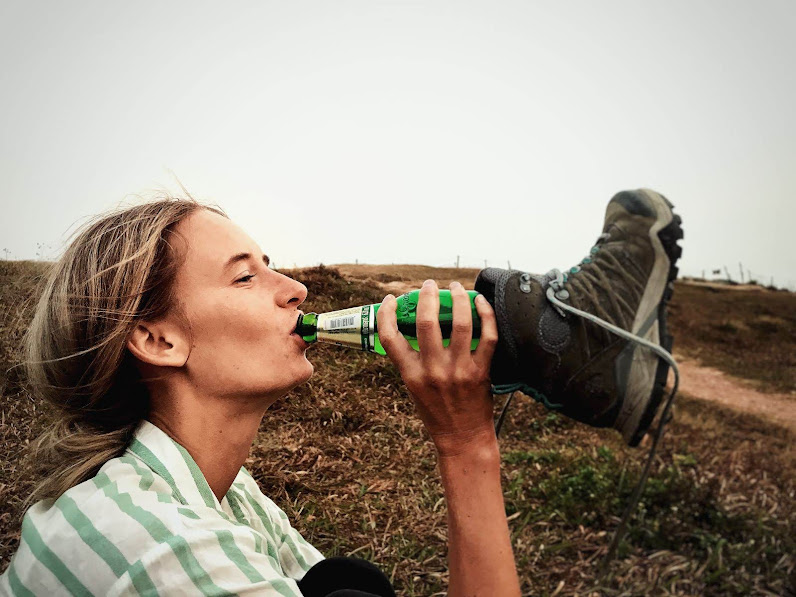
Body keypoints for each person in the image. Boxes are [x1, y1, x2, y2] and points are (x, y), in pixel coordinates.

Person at [0, 188, 682, 596]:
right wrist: (466, 441)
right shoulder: (150, 541)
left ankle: (563, 335)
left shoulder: (227, 493)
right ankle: (566, 338)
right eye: (245, 277)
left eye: (271, 265)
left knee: (346, 587)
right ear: (158, 340)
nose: (294, 289)